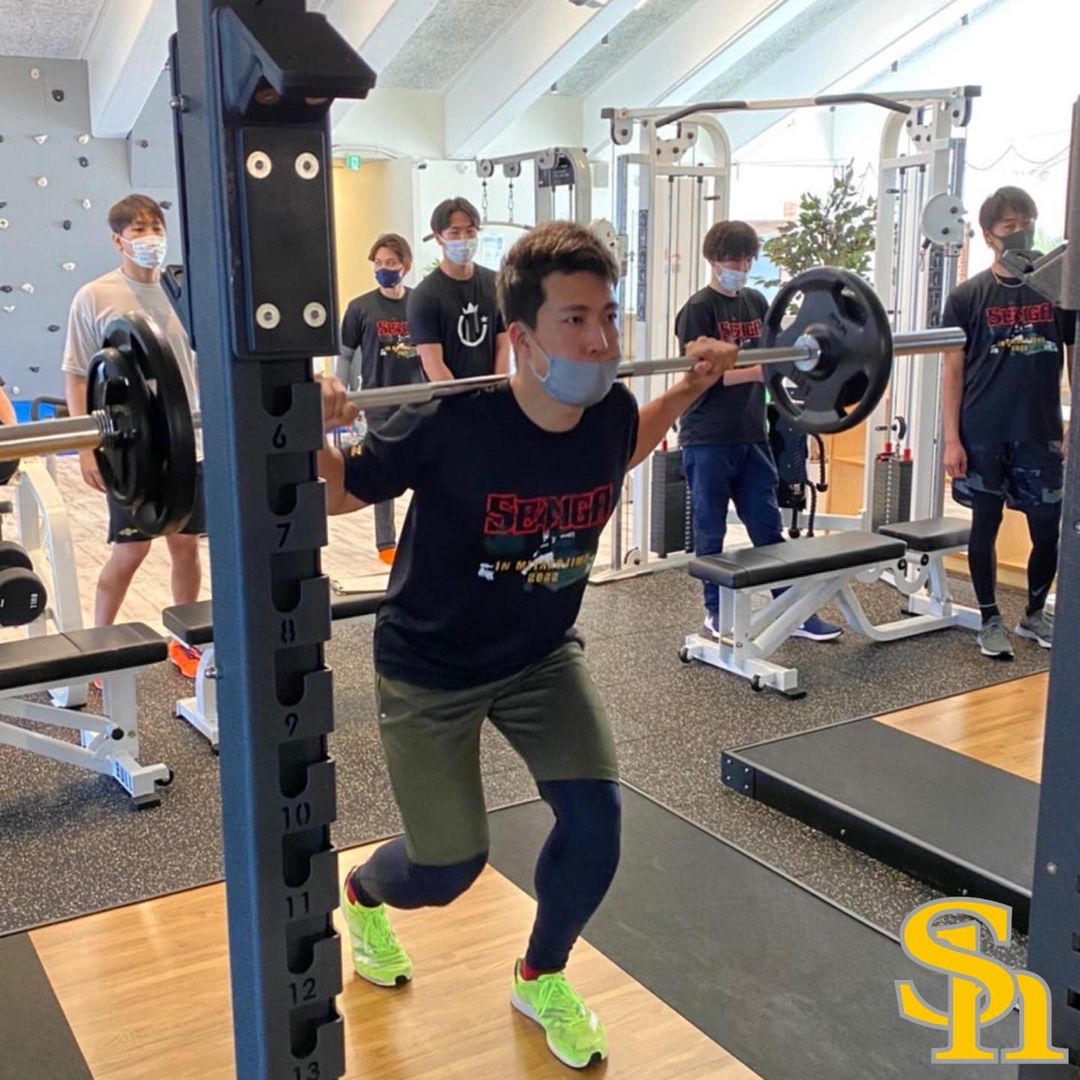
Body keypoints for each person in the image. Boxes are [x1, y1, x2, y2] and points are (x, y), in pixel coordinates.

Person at [316, 221, 736, 1069]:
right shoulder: (453, 423)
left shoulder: (607, 411)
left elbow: (626, 447)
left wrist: (690, 388)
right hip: (431, 669)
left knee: (597, 824)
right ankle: (362, 892)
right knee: (447, 869)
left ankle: (540, 975)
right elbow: (339, 495)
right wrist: (309, 429)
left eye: (607, 317)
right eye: (575, 320)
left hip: (541, 657)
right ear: (522, 339)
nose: (602, 341)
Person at [675, 220, 842, 642]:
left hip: (751, 433)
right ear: (713, 260)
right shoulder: (698, 309)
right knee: (710, 532)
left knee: (768, 528)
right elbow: (703, 377)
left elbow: (778, 351)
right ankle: (716, 613)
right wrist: (761, 372)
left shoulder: (757, 301)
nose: (743, 267)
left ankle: (792, 610)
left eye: (749, 259)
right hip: (707, 436)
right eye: (735, 260)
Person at [62, 194, 205, 677]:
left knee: (186, 546)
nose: (149, 238)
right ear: (118, 240)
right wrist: (87, 446)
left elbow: (197, 363)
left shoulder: (183, 293)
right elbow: (77, 374)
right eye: (138, 230)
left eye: (155, 228)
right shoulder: (95, 296)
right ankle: (100, 647)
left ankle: (185, 643)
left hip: (186, 441)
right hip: (131, 448)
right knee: (131, 550)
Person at [942, 186, 1074, 659]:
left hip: (1039, 429)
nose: (1020, 233)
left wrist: (1074, 424)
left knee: (1048, 526)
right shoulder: (967, 296)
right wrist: (952, 438)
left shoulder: (1057, 290)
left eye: (1026, 224)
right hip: (983, 429)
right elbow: (952, 369)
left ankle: (1034, 614)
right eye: (1009, 226)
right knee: (985, 522)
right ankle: (989, 619)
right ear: (989, 236)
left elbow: (1075, 353)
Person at [337, 233, 424, 565]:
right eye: (378, 263)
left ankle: (422, 535)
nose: (383, 268)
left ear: (405, 266)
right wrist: (343, 397)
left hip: (417, 399)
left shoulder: (420, 303)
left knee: (425, 468)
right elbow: (345, 355)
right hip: (378, 400)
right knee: (382, 467)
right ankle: (385, 543)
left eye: (390, 262)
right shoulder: (360, 308)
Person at [407, 197, 510, 382]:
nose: (464, 239)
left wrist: (497, 389)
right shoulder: (424, 296)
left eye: (470, 232)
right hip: (448, 396)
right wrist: (458, 396)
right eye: (454, 233)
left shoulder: (496, 283)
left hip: (492, 393)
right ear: (439, 238)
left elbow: (504, 345)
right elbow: (432, 362)